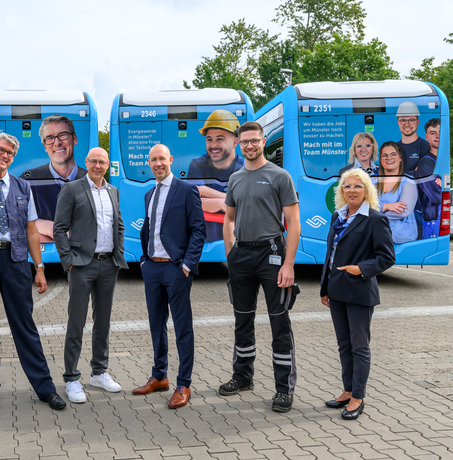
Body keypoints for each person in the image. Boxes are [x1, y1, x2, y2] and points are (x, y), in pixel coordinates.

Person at [0, 132, 66, 411]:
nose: (5, 156)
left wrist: (39, 267)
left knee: (25, 326)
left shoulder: (22, 187)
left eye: (10, 154)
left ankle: (45, 388)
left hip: (16, 262)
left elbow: (32, 230)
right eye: (1, 151)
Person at [219, 121, 301, 413]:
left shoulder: (280, 176)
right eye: (245, 142)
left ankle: (283, 389)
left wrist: (288, 264)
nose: (250, 146)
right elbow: (228, 219)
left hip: (272, 254)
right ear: (239, 145)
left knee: (279, 322)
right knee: (242, 320)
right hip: (242, 254)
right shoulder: (236, 178)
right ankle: (242, 377)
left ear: (263, 141)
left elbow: (293, 223)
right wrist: (231, 253)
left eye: (254, 141)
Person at [132, 144, 206, 409]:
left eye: (162, 158)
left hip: (176, 269)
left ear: (171, 159)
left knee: (182, 328)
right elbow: (149, 229)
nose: (157, 163)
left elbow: (199, 231)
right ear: (148, 162)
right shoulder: (149, 193)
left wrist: (187, 265)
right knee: (156, 325)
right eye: (153, 159)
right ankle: (159, 376)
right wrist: (143, 260)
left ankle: (183, 383)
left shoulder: (187, 191)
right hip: (152, 268)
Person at [53, 147, 129, 403]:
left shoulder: (113, 190)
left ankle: (99, 372)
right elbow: (59, 228)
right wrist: (69, 261)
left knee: (103, 321)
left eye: (102, 162)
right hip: (82, 266)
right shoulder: (72, 189)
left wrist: (119, 255)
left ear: (108, 164)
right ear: (86, 163)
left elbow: (118, 224)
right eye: (94, 161)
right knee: (76, 322)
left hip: (109, 265)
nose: (98, 166)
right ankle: (72, 378)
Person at [320, 168, 395, 420]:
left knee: (359, 346)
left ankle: (358, 397)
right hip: (337, 291)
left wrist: (360, 268)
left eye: (357, 186)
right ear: (341, 191)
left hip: (359, 291)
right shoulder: (337, 216)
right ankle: (348, 389)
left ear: (367, 190)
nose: (351, 190)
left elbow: (386, 257)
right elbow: (330, 255)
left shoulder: (375, 219)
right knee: (344, 345)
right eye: (347, 186)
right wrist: (324, 287)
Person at [21, 115, 87, 242]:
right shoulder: (28, 180)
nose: (57, 143)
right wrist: (49, 228)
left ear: (74, 139)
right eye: (50, 138)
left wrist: (37, 225)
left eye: (63, 135)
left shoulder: (90, 180)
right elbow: (16, 222)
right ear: (45, 146)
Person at [187, 110, 244, 242]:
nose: (213, 145)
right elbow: (190, 202)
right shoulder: (197, 165)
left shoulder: (245, 168)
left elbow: (247, 204)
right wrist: (225, 202)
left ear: (235, 142)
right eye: (209, 139)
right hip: (203, 244)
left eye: (220, 139)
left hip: (238, 243)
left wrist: (206, 193)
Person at [377, 142, 418, 244]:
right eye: (384, 155)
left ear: (400, 158)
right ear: (381, 161)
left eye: (393, 154)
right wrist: (386, 206)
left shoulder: (408, 181)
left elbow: (403, 211)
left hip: (402, 237)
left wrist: (374, 218)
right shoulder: (373, 182)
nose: (389, 158)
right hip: (378, 234)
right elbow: (365, 206)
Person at [417, 119, 443, 237]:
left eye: (440, 132)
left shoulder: (442, 162)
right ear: (427, 137)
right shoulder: (426, 164)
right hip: (431, 222)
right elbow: (437, 197)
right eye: (433, 133)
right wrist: (442, 189)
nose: (437, 136)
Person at [395, 101, 430, 174]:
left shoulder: (425, 147)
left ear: (418, 122)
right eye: (403, 120)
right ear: (398, 123)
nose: (407, 124)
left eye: (411, 120)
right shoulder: (394, 147)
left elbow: (422, 174)